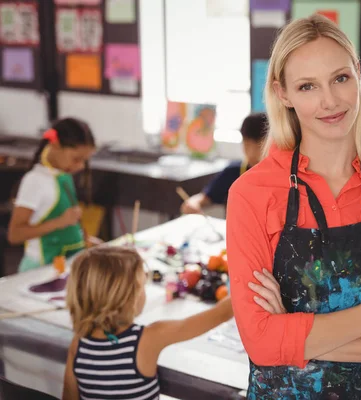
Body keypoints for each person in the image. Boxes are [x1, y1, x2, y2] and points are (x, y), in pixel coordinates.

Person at [226, 15, 361, 399]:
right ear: (283, 94)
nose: (330, 101)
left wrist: (291, 336)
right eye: (307, 86)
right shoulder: (252, 193)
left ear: (357, 73)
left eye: (340, 78)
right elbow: (259, 344)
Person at [62, 246, 233, 400]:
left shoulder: (79, 344)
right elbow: (219, 315)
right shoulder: (146, 339)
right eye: (141, 286)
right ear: (125, 297)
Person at [8, 118, 97, 272]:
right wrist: (59, 222)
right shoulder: (35, 181)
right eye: (76, 159)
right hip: (40, 269)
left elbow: (69, 226)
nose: (81, 166)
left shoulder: (63, 176)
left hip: (64, 266)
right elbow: (15, 235)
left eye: (85, 161)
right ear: (55, 145)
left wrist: (85, 240)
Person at [181, 113, 268, 214]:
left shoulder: (278, 174)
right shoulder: (233, 171)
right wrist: (193, 203)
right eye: (247, 144)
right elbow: (204, 197)